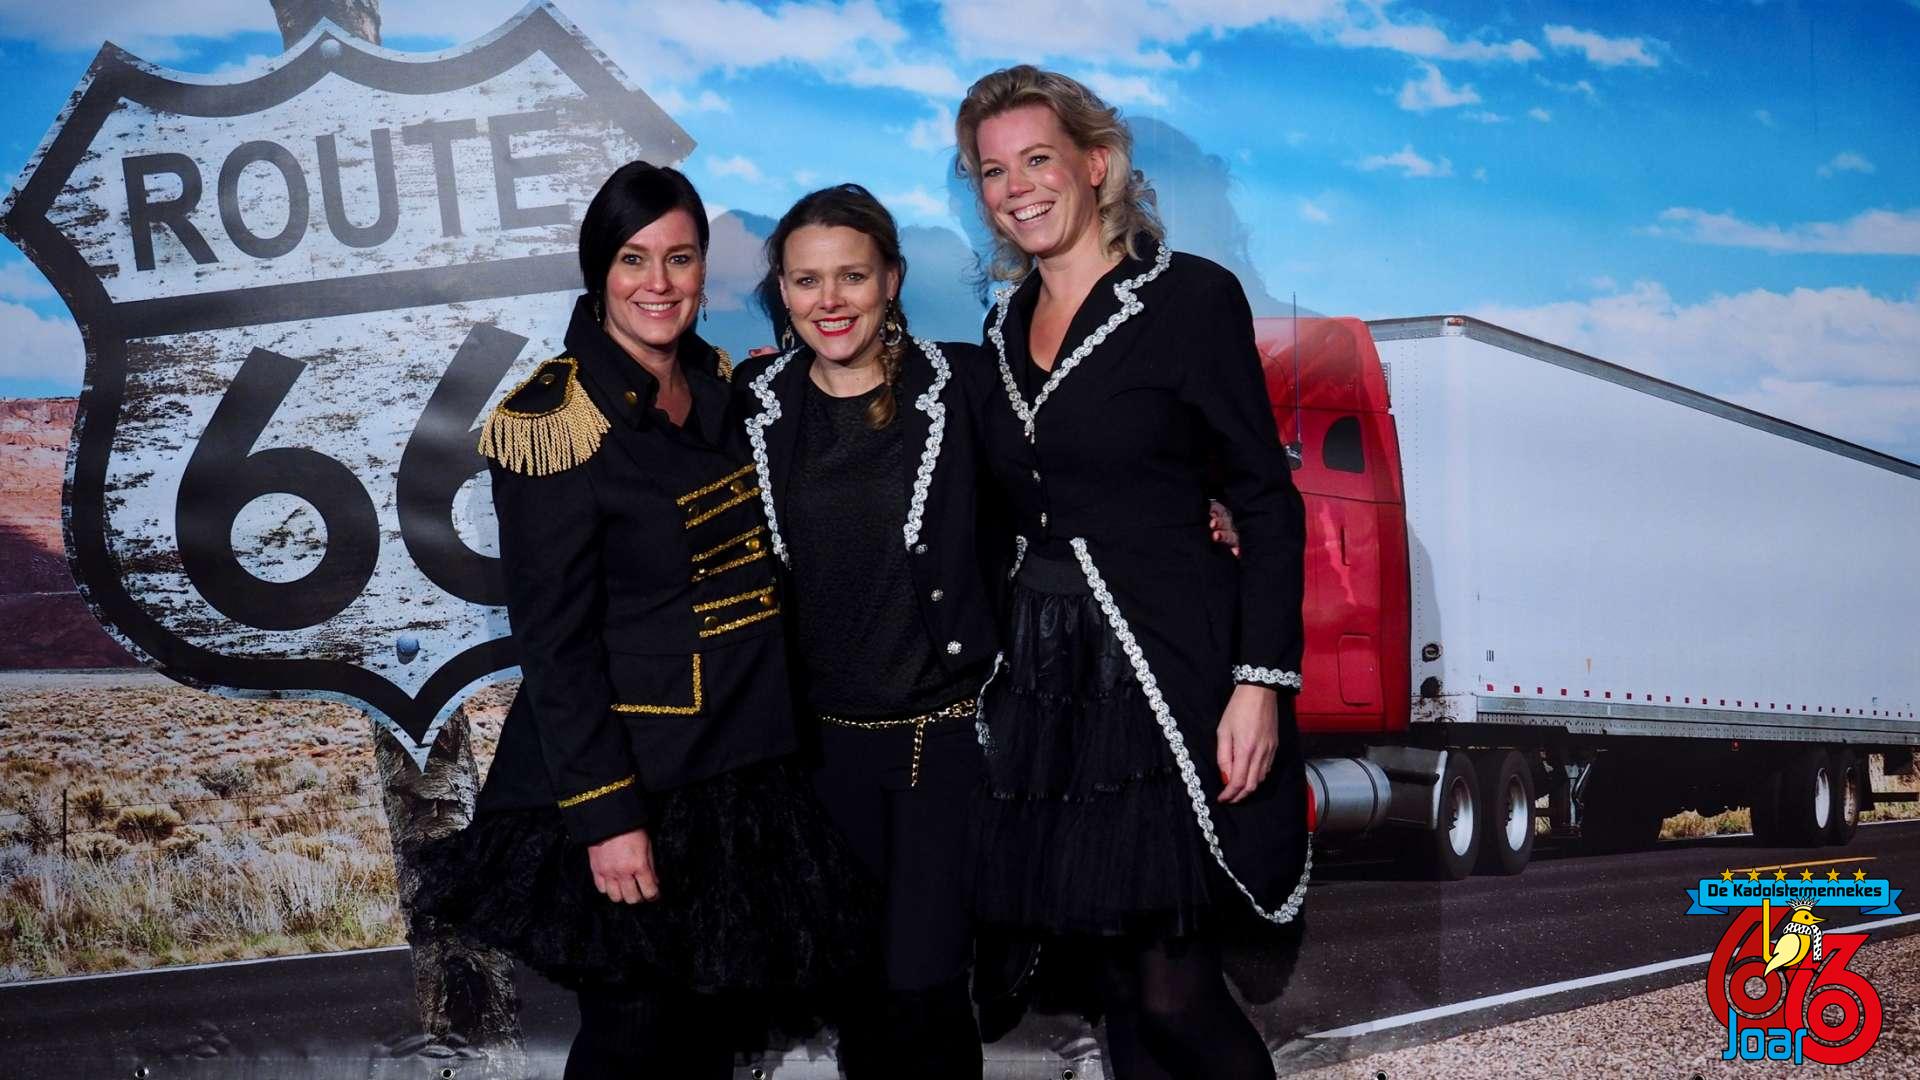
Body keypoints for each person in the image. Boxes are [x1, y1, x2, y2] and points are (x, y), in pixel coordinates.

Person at [412, 162, 871, 1078]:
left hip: (740, 774)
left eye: (680, 258)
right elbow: (555, 643)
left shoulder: (720, 390)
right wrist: (606, 816)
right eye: (633, 258)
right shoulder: (553, 420)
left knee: (703, 1043)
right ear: (600, 271)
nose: (658, 283)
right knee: (634, 1039)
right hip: (633, 782)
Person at [954, 66, 1310, 1079]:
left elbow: (1264, 499)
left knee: (1173, 990)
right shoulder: (1000, 329)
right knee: (1115, 991)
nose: (1017, 188)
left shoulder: (1191, 297)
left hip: (1166, 678)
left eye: (1038, 159)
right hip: (1051, 693)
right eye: (992, 171)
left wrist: (1259, 683)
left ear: (1096, 164)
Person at [732, 184, 998, 1078]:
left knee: (925, 997)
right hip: (817, 756)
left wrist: (1205, 503)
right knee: (858, 1001)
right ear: (781, 289)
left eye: (852, 275)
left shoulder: (963, 384)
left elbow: (1066, 483)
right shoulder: (754, 400)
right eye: (807, 280)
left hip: (938, 744)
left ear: (892, 278)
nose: (830, 300)